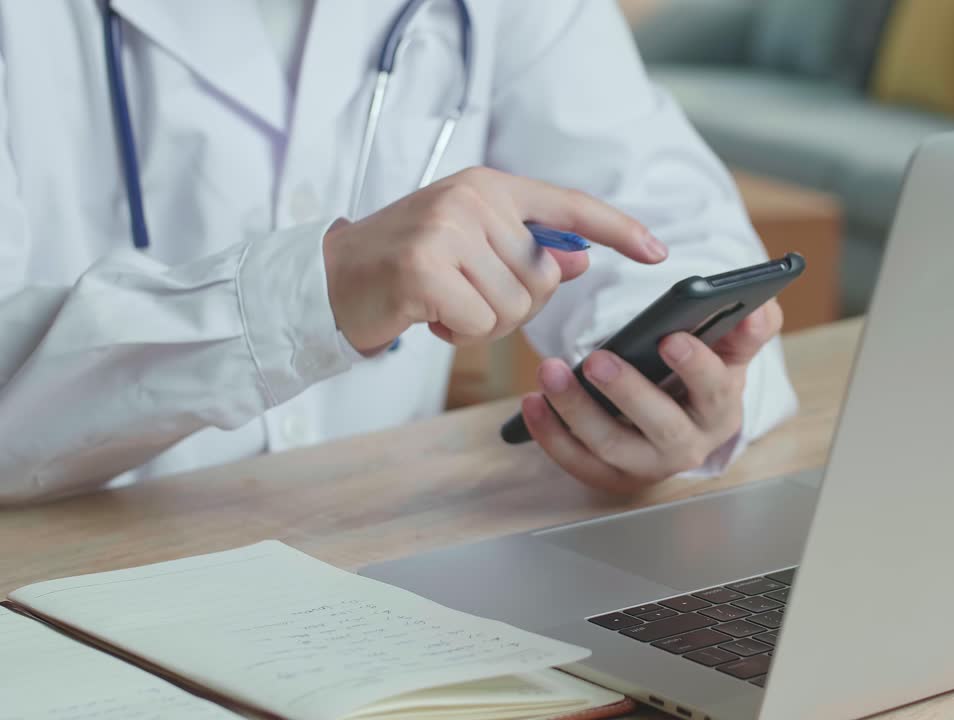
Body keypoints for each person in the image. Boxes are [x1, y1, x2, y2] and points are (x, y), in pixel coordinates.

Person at [0, 1, 796, 504]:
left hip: (377, 561)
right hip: (53, 590)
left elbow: (668, 225)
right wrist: (319, 292)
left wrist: (678, 390)